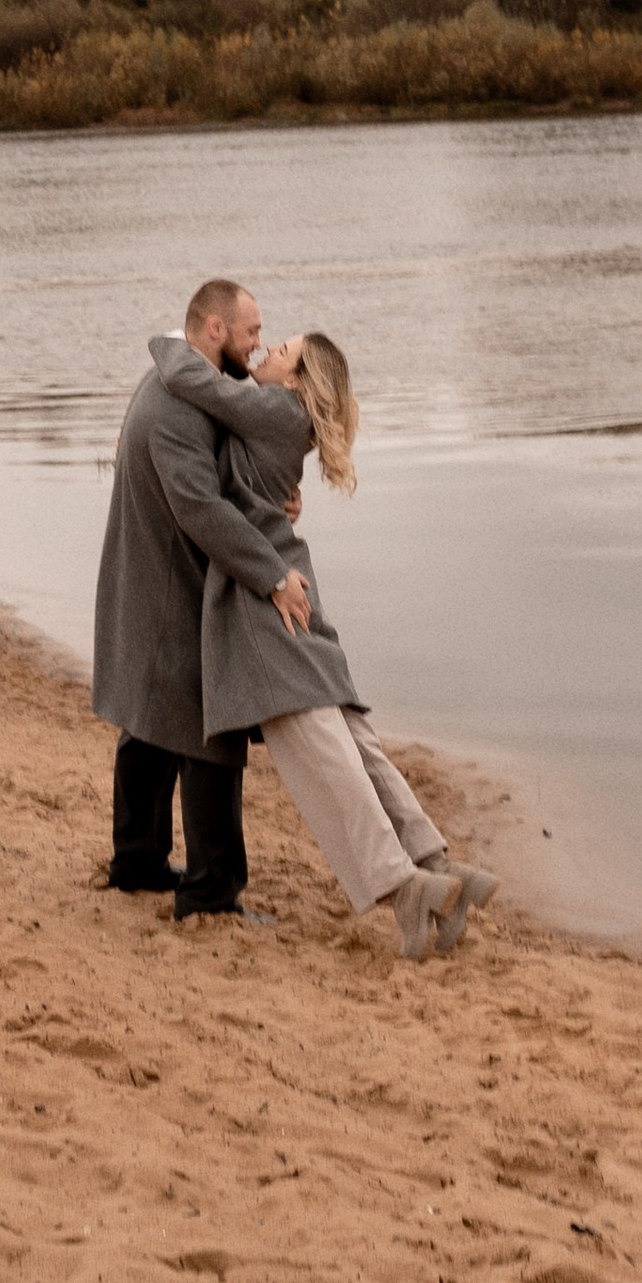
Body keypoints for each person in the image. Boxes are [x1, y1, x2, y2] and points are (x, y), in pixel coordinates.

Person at [148, 324, 496, 962]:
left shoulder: (275, 409)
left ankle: (402, 883)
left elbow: (186, 377)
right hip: (291, 582)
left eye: (283, 351)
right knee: (353, 738)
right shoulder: (286, 420)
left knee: (320, 752)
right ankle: (435, 860)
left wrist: (175, 336)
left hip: (266, 598)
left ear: (298, 382)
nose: (268, 349)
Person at [91, 277, 312, 921]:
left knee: (151, 722)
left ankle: (136, 861)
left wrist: (273, 500)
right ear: (214, 331)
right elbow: (200, 509)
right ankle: (212, 892)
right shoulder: (177, 404)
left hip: (149, 574)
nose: (258, 342)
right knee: (209, 734)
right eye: (250, 332)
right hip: (168, 582)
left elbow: (215, 478)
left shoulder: (174, 386)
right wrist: (272, 573)